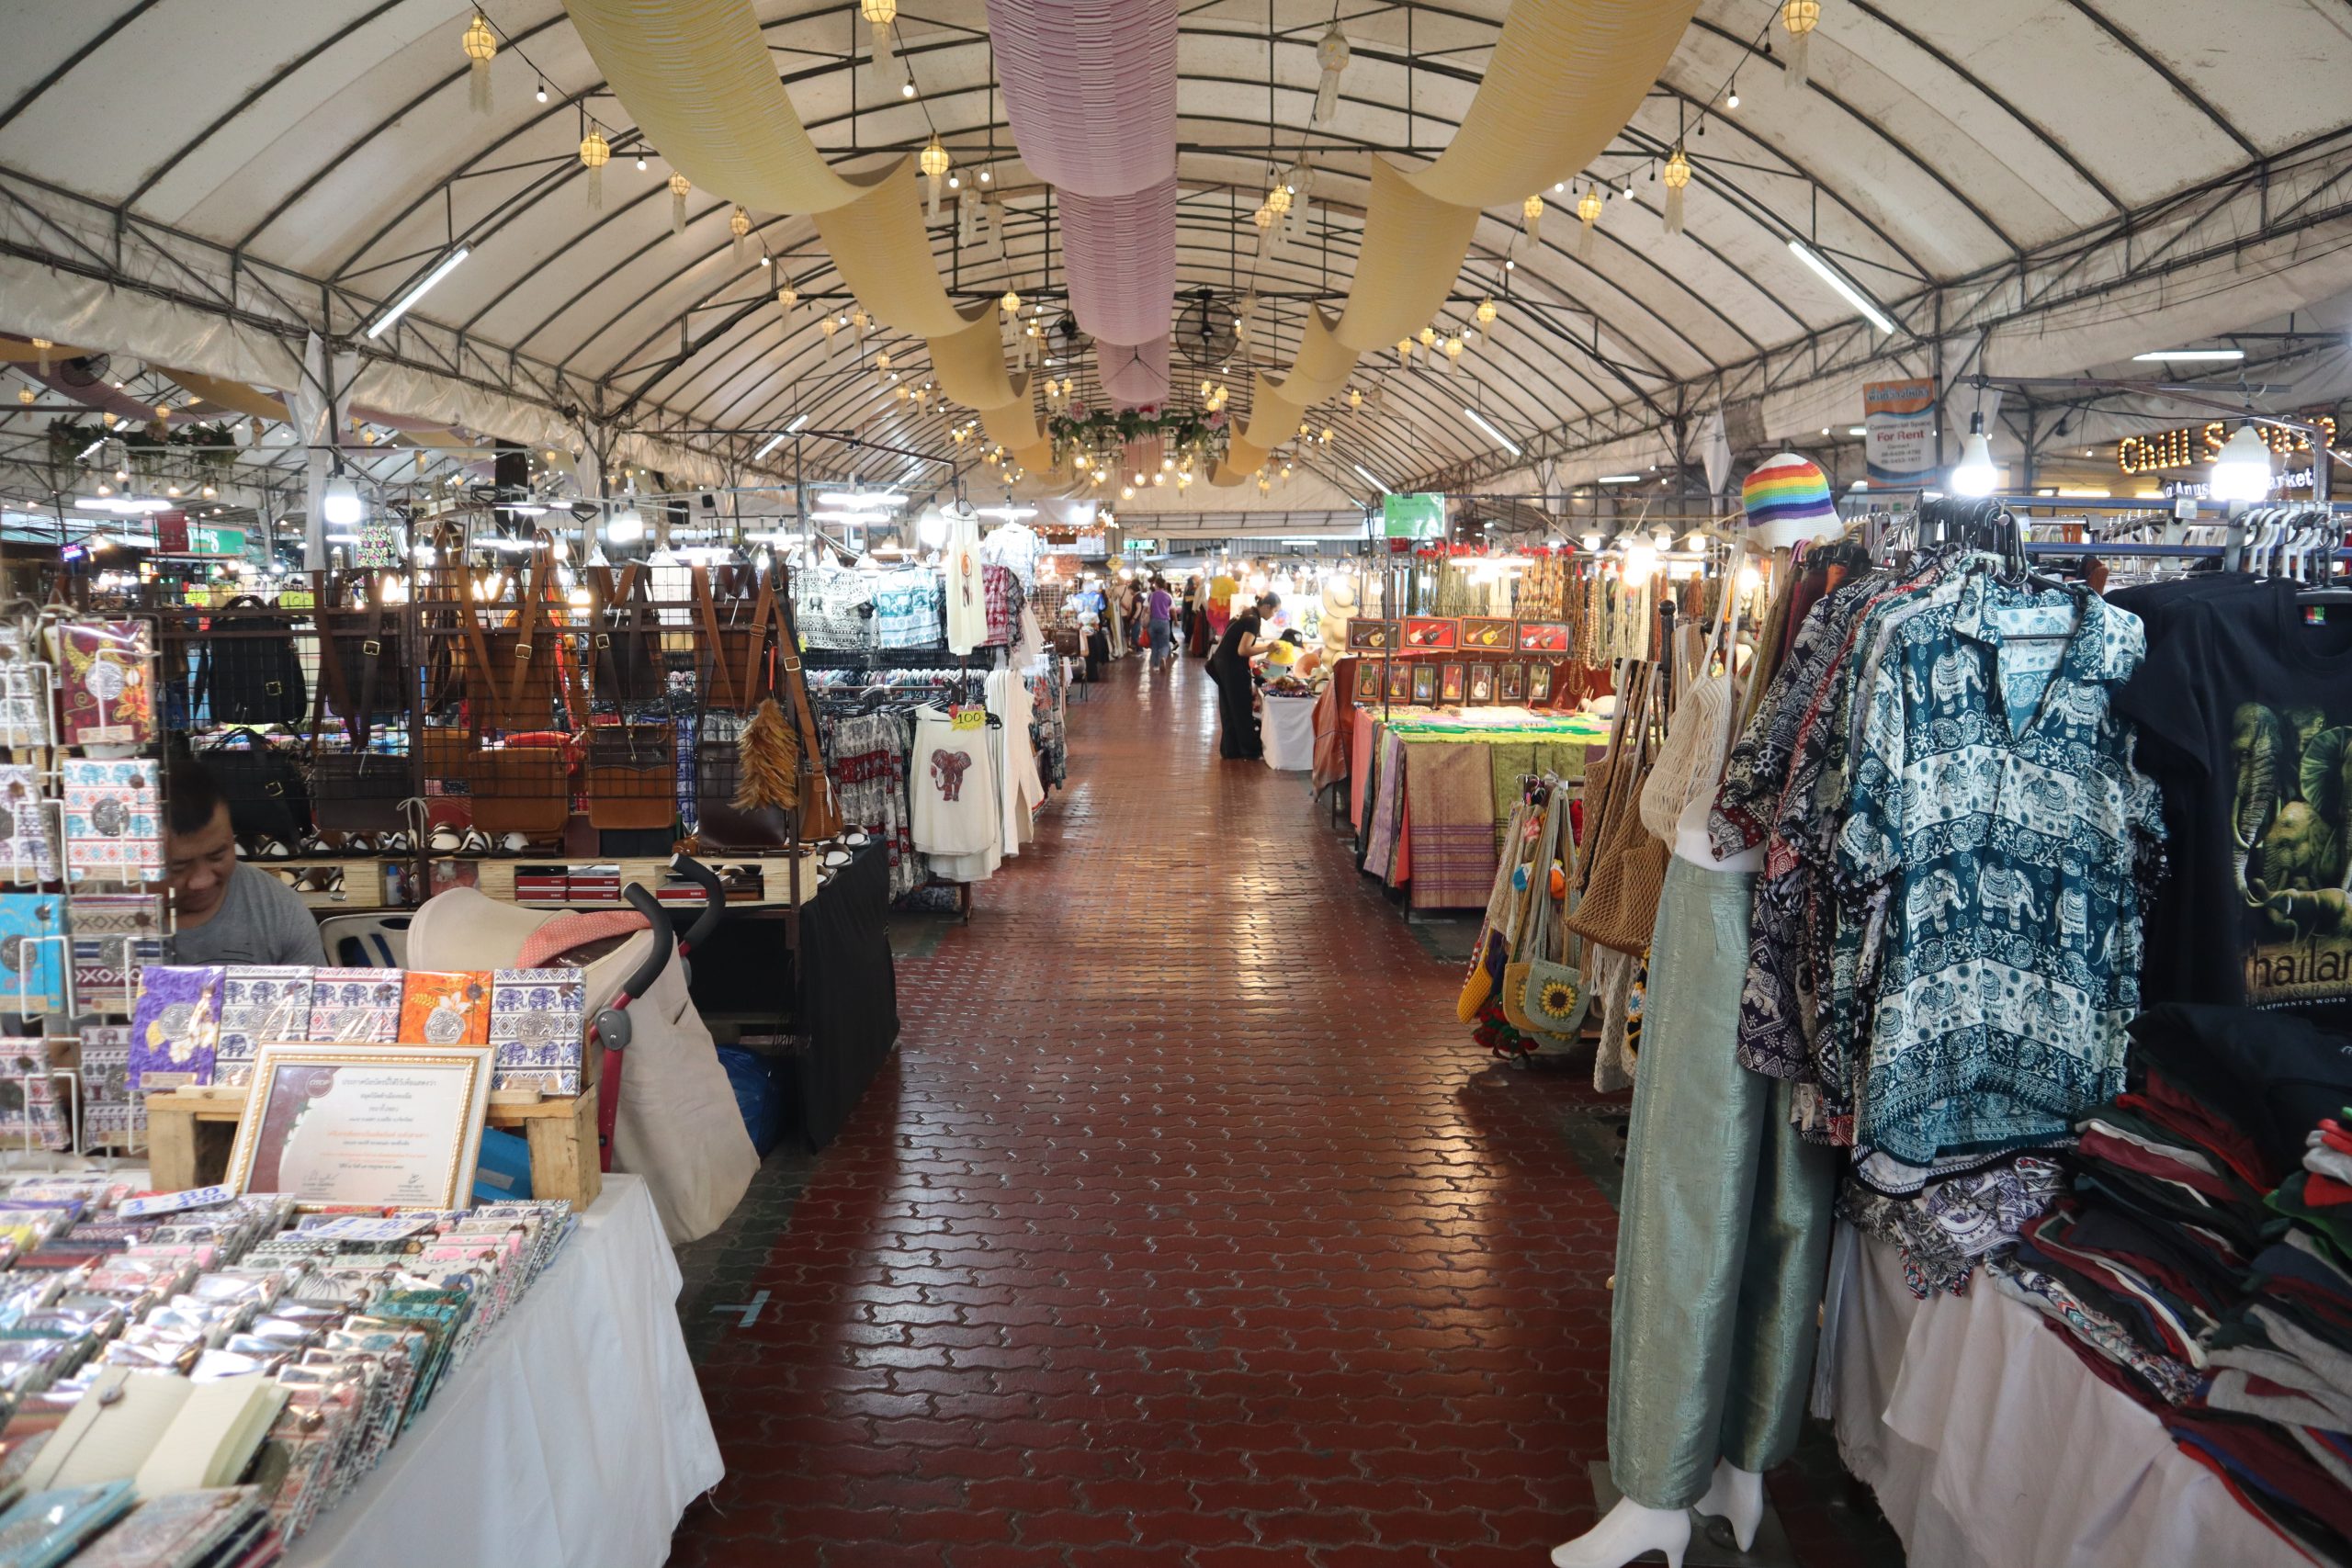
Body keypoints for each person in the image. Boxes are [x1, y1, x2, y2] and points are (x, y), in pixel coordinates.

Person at [163, 759, 328, 966]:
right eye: (178, 867)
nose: (202, 881)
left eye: (218, 855)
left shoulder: (280, 912)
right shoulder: (114, 917)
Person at [1207, 592, 1279, 760]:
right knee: (1241, 708)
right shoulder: (1253, 620)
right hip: (1232, 666)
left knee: (1229, 708)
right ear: (1267, 606)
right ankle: (1250, 751)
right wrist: (1268, 648)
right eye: (1274, 611)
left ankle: (1230, 750)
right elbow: (1243, 650)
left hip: (1221, 663)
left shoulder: (1246, 613)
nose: (1274, 615)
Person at [1147, 577, 1176, 668]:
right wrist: (1176, 621)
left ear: (1156, 585)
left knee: (1154, 644)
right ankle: (1163, 657)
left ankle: (1155, 666)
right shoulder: (1168, 596)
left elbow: (1145, 608)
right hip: (1164, 622)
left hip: (1153, 622)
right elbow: (1173, 610)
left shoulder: (1151, 595)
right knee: (1165, 644)